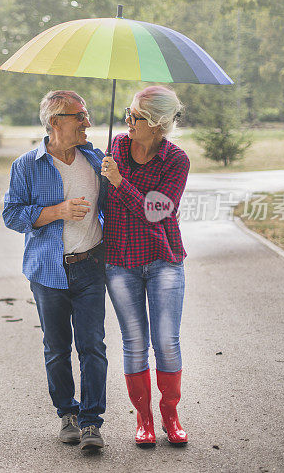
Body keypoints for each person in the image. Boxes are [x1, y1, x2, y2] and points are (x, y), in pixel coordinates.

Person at [3, 90, 109, 452]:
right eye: (79, 116)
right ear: (55, 122)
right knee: (57, 348)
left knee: (93, 346)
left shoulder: (95, 159)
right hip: (48, 272)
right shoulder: (26, 165)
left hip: (91, 266)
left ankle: (93, 422)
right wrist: (56, 211)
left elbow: (112, 206)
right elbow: (12, 215)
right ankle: (68, 414)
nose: (87, 123)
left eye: (87, 115)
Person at [100, 85, 190, 447]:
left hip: (163, 259)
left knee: (166, 342)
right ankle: (145, 419)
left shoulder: (176, 160)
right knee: (134, 343)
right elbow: (102, 200)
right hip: (120, 260)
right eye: (127, 112)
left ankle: (171, 415)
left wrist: (120, 182)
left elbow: (156, 212)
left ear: (156, 124)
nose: (127, 121)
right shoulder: (115, 148)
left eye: (135, 117)